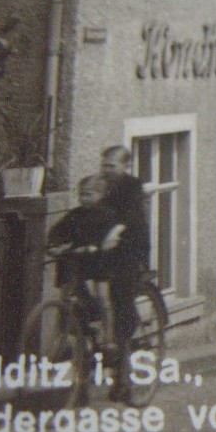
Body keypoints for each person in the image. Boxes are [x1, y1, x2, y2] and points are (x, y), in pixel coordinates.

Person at [99, 145, 150, 403]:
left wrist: (116, 231)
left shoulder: (133, 185)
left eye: (111, 166)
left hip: (130, 249)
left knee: (122, 310)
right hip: (109, 249)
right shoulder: (103, 187)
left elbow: (130, 214)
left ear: (125, 166)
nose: (106, 170)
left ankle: (126, 383)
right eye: (104, 165)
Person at [47, 174, 125, 322]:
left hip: (101, 260)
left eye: (88, 194)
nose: (83, 198)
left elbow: (106, 236)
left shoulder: (107, 214)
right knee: (68, 292)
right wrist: (54, 244)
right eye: (81, 194)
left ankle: (108, 338)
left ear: (101, 195)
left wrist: (94, 246)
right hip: (78, 259)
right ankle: (77, 329)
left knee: (102, 297)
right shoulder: (75, 214)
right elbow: (58, 230)